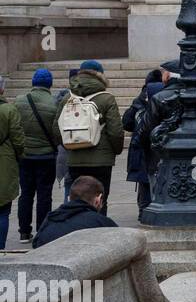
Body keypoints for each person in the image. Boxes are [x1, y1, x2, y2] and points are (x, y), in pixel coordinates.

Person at [56, 60, 124, 214]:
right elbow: (116, 132)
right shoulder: (107, 98)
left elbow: (56, 129)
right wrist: (115, 150)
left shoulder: (68, 97)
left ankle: (78, 232)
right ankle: (98, 232)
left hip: (75, 160)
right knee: (99, 201)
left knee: (77, 202)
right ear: (100, 75)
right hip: (102, 161)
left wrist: (70, 145)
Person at [16, 68, 60, 244]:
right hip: (46, 156)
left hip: (25, 156)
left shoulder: (19, 101)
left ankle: (24, 232)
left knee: (26, 193)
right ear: (49, 84)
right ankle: (42, 229)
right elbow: (56, 132)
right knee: (44, 194)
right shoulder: (54, 103)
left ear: (33, 83)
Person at [123, 68, 167, 221]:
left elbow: (127, 123)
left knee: (144, 184)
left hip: (139, 150)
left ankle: (143, 212)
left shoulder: (140, 100)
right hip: (156, 149)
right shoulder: (164, 98)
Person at [32, 176, 117, 248]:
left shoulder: (50, 219)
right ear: (97, 201)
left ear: (69, 199)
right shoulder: (102, 222)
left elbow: (36, 244)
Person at [0, 77, 26, 247]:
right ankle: (0, 249)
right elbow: (18, 139)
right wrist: (20, 156)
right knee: (2, 211)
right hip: (5, 162)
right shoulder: (9, 110)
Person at [54, 68, 76, 203]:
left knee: (69, 185)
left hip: (65, 149)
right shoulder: (88, 98)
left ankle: (68, 212)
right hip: (84, 150)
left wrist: (62, 143)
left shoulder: (61, 99)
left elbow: (56, 127)